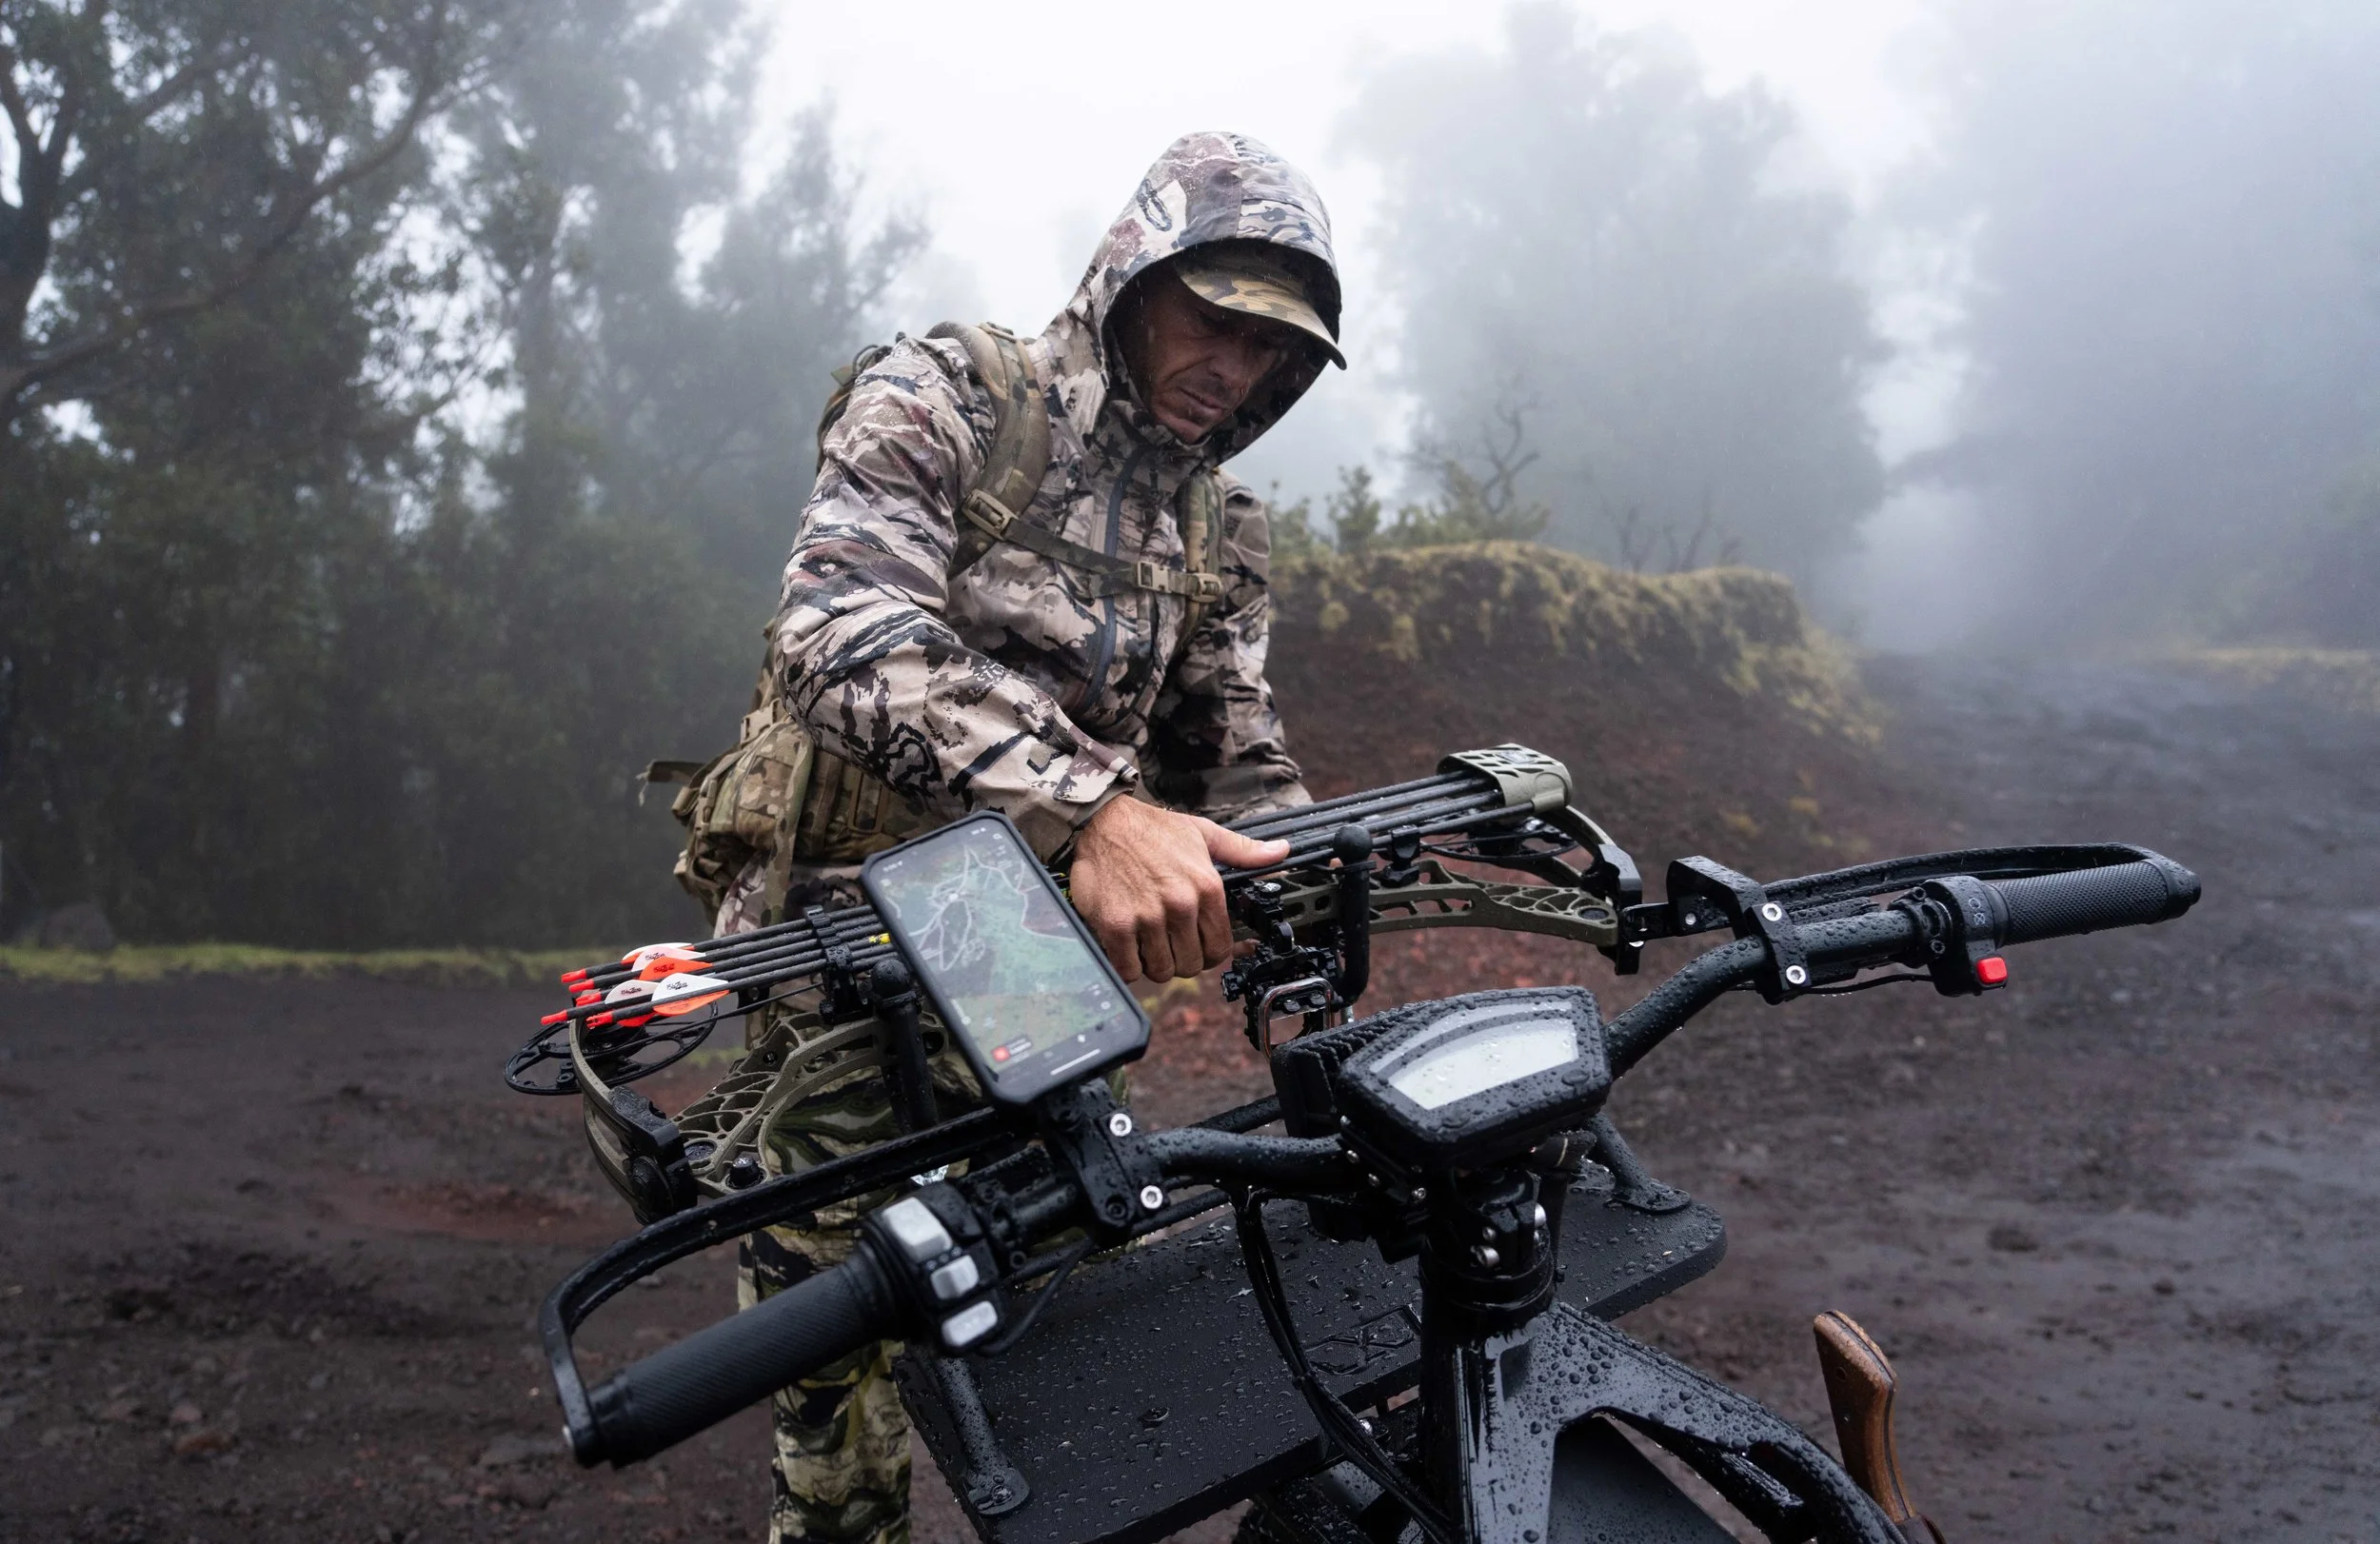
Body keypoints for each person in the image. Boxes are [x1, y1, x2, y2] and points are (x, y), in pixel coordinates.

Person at [724, 131, 1345, 1544]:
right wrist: (1096, 811)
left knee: (1077, 1342)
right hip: (841, 954)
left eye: (1272, 347)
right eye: (1216, 319)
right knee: (843, 1369)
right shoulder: (946, 392)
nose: (1238, 368)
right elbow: (839, 632)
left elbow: (1235, 764)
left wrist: (1322, 894)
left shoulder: (1220, 527)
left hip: (1031, 968)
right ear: (1132, 279)